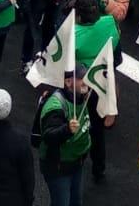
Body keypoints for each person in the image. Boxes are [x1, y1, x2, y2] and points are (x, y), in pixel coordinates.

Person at [71, 0, 119, 183]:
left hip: (82, 86)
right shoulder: (109, 24)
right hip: (102, 83)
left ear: (80, 16)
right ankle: (99, 168)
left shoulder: (74, 34)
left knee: (78, 125)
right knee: (98, 131)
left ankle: (79, 161)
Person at [36, 67, 92, 206]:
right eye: (81, 78)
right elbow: (49, 136)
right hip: (59, 168)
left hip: (76, 163)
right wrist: (67, 129)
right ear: (68, 82)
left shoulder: (81, 97)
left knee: (75, 202)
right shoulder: (56, 105)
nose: (86, 82)